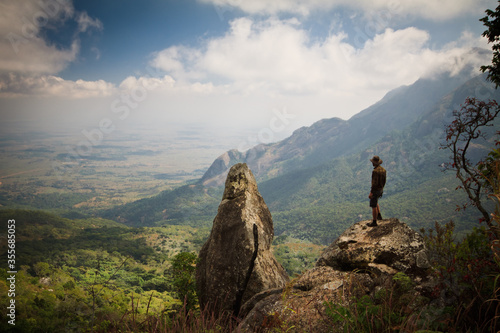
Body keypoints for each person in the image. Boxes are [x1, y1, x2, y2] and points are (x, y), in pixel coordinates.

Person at [367, 155, 386, 227]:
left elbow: (374, 183)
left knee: (373, 205)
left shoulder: (375, 171)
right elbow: (384, 181)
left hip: (375, 190)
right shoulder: (383, 170)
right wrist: (381, 188)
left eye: (373, 162)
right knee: (376, 201)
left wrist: (371, 192)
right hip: (381, 189)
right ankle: (379, 216)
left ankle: (374, 222)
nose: (372, 163)